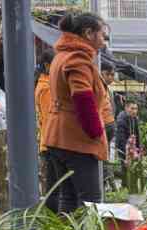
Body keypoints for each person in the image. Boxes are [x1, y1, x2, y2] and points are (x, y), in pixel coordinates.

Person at [44, 13, 109, 213]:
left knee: (69, 197)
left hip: (58, 137)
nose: (104, 40)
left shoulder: (61, 55)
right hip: (76, 139)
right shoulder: (78, 58)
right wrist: (96, 133)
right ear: (88, 33)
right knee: (90, 202)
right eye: (102, 34)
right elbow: (83, 100)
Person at [34, 50, 57, 212]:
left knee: (53, 185)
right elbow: (50, 119)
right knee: (54, 187)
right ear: (48, 65)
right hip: (51, 142)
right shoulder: (47, 88)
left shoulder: (46, 84)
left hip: (49, 141)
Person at [100, 61, 118, 191]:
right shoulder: (98, 86)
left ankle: (109, 185)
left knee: (106, 158)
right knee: (103, 159)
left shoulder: (106, 88)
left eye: (113, 75)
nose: (112, 78)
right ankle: (109, 185)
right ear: (102, 73)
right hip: (102, 127)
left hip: (109, 125)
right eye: (109, 75)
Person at [116, 101, 141, 186]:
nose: (134, 111)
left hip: (132, 147)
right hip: (124, 148)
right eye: (132, 108)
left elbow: (137, 135)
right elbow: (121, 139)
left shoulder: (134, 118)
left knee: (134, 168)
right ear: (126, 108)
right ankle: (125, 186)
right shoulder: (121, 120)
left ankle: (131, 186)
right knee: (125, 169)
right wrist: (126, 152)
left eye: (136, 109)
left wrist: (138, 150)